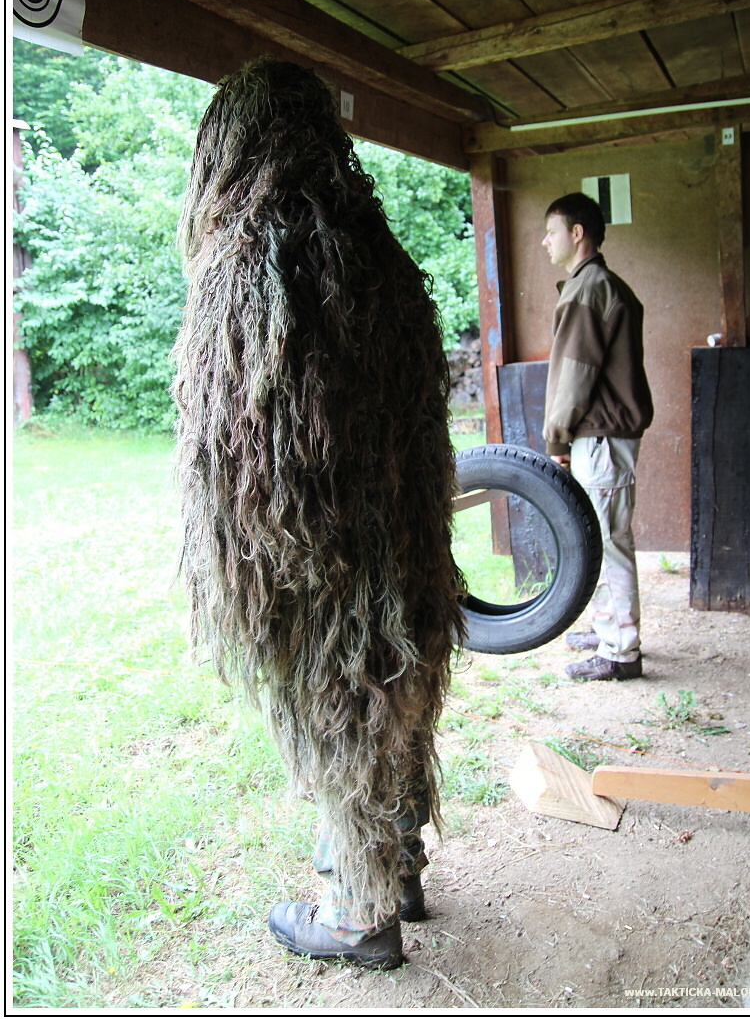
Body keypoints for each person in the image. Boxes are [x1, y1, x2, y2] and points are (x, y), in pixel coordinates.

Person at [172, 57, 465, 970]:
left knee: (343, 716)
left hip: (323, 553)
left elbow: (237, 451)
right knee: (399, 697)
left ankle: (357, 916)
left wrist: (253, 578)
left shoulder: (247, 260)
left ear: (232, 144)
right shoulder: (384, 255)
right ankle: (399, 871)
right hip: (407, 537)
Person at [541, 192, 653, 681]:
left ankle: (620, 652)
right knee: (603, 536)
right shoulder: (600, 285)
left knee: (608, 541)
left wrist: (557, 440)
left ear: (577, 232)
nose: (545, 241)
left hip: (602, 437)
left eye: (551, 231)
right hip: (603, 435)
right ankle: (608, 628)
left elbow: (575, 375)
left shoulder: (589, 289)